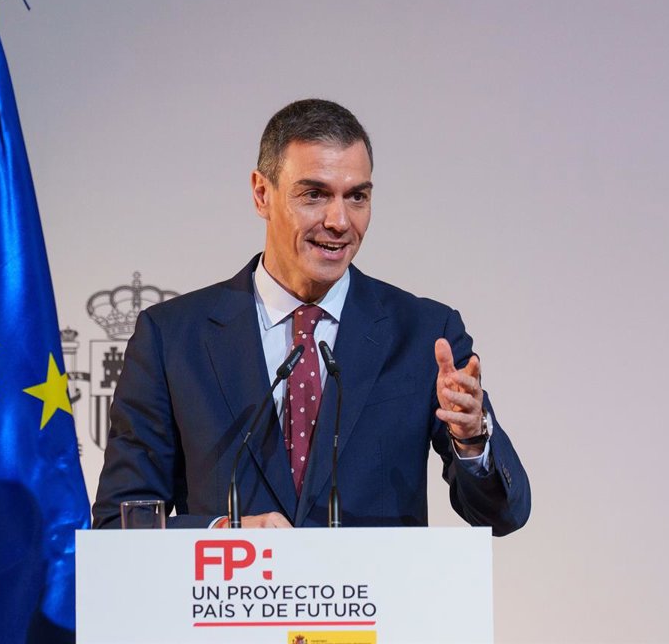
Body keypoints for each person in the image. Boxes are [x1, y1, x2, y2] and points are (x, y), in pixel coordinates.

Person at [92, 99, 530, 534]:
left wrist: (472, 438)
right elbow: (120, 523)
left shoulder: (424, 334)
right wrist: (222, 532)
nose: (339, 221)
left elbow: (502, 515)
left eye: (357, 197)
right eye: (314, 195)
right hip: (233, 580)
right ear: (262, 194)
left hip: (372, 584)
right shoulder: (172, 338)